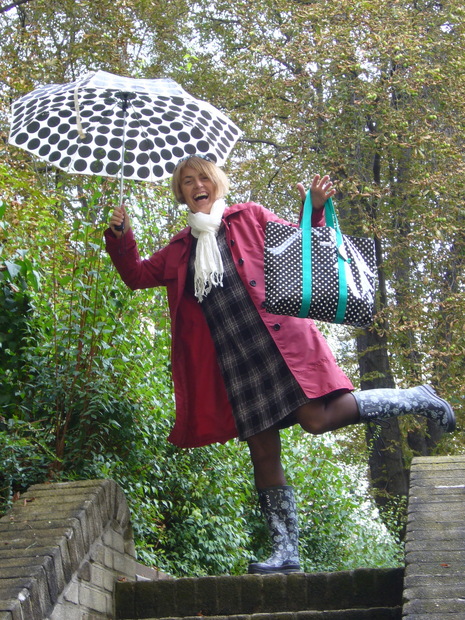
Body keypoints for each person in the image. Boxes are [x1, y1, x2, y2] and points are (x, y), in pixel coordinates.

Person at [104, 155, 456, 575]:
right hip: (235, 362)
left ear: (217, 183)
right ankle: (286, 553)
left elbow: (303, 246)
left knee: (317, 419)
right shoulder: (180, 249)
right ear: (180, 193)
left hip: (280, 343)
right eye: (187, 181)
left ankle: (415, 397)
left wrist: (316, 208)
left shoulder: (249, 217)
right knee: (263, 452)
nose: (197, 185)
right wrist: (121, 236)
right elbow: (136, 275)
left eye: (203, 178)